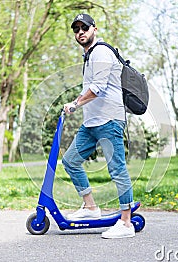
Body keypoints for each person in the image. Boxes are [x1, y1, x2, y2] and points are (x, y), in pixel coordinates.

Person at [62, 13, 135, 239]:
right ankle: (91, 208)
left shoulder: (101, 51)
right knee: (71, 161)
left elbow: (99, 87)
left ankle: (126, 223)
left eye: (85, 27)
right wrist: (77, 105)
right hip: (92, 122)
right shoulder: (90, 55)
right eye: (76, 29)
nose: (80, 32)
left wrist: (75, 103)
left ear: (94, 28)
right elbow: (91, 88)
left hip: (109, 120)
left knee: (117, 169)